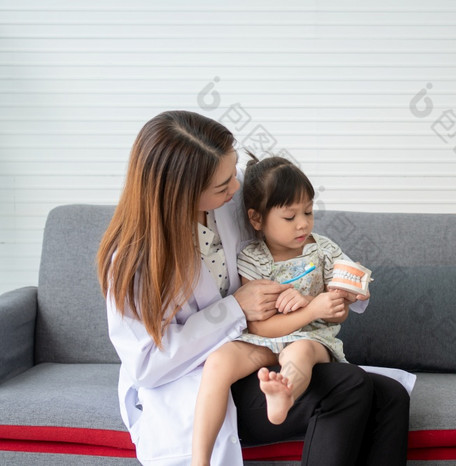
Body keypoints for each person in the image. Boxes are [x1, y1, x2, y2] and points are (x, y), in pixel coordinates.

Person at [96, 110, 411, 466]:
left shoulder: (230, 198)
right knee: (350, 387)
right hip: (199, 380)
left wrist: (341, 287)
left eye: (234, 174)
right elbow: (148, 364)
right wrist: (235, 308)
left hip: (264, 345)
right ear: (179, 194)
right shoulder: (135, 260)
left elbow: (295, 242)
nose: (236, 188)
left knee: (392, 397)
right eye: (223, 186)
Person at [191, 155, 367, 464]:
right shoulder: (251, 258)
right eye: (290, 217)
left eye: (309, 212)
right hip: (264, 338)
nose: (303, 223)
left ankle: (284, 395)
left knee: (299, 355)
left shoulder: (323, 250)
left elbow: (346, 293)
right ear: (257, 219)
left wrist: (342, 301)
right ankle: (199, 460)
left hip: (312, 337)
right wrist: (312, 308)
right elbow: (259, 327)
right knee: (218, 362)